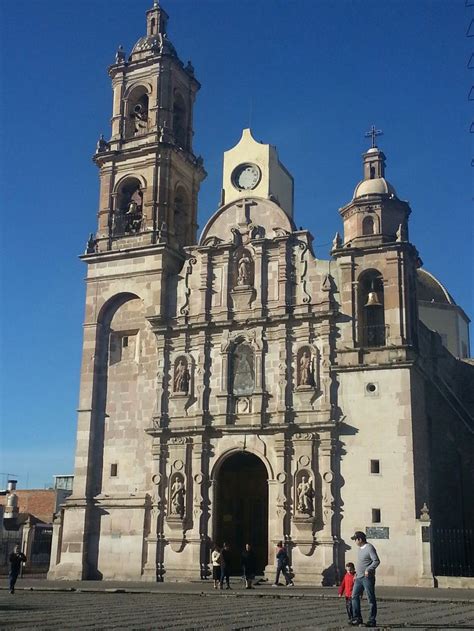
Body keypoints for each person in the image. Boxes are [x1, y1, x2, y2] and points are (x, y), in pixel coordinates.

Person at [350, 531, 380, 627]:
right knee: (354, 596)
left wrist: (368, 569)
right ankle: (357, 618)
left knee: (370, 598)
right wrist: (355, 574)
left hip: (367, 578)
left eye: (355, 539)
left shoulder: (369, 548)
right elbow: (360, 563)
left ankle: (372, 620)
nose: (355, 542)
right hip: (359, 577)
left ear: (360, 539)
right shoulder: (360, 549)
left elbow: (376, 561)